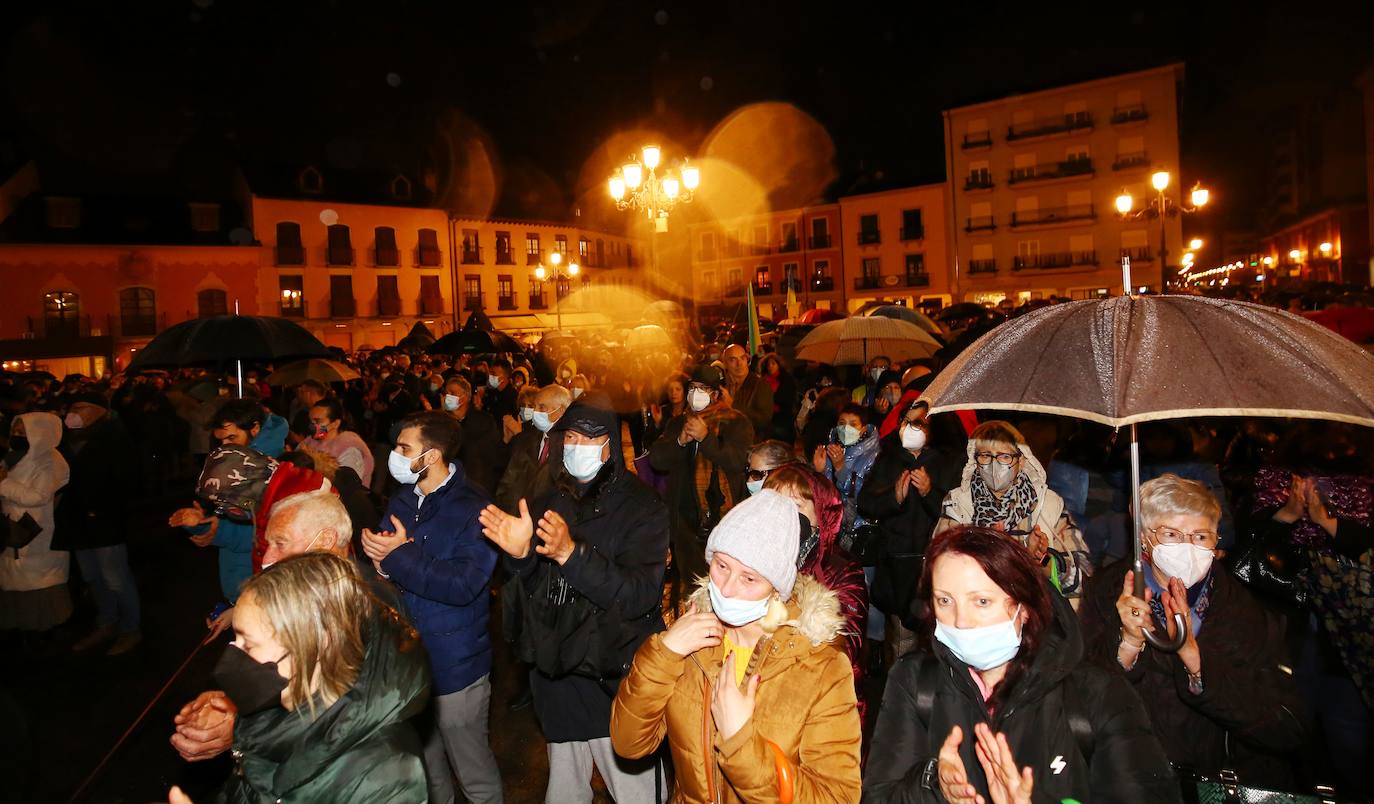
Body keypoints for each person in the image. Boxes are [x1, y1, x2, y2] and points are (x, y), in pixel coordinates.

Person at [862, 525, 1182, 803]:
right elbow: (878, 796)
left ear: (1024, 607)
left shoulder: (1096, 694)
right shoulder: (915, 682)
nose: (960, 621)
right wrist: (932, 786)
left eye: (982, 601)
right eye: (945, 601)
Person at [609, 490, 862, 802]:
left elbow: (836, 796)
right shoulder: (689, 640)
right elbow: (628, 743)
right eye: (722, 566)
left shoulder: (821, 668)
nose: (727, 589)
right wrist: (663, 654)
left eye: (750, 579)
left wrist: (741, 745)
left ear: (777, 589)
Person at [480, 396, 670, 803]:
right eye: (571, 435)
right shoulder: (548, 497)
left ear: (611, 445)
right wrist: (519, 558)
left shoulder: (643, 507)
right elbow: (534, 589)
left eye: (590, 436)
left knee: (636, 793)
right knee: (564, 793)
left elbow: (638, 595)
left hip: (612, 681)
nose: (578, 445)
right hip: (559, 677)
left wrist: (572, 554)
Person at [1080, 474, 1306, 790]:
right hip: (1129, 778)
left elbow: (1286, 727)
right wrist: (1128, 644)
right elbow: (1082, 702)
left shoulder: (1248, 611)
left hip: (1215, 780)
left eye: (1201, 536)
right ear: (1144, 538)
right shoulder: (1105, 594)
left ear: (1217, 542)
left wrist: (1196, 661)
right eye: (1172, 534)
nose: (1188, 548)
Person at [187, 552, 429, 803]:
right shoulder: (271, 706)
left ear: (317, 645)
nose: (233, 655)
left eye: (249, 645)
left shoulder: (388, 774)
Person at [358, 411, 502, 804]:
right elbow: (389, 569)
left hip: (455, 664)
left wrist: (400, 556)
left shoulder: (475, 507)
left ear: (433, 455)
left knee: (474, 776)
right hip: (407, 661)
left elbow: (464, 585)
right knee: (428, 772)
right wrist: (379, 566)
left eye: (405, 448)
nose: (396, 455)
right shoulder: (402, 499)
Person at [169, 489, 365, 763]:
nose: (267, 558)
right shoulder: (308, 596)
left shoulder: (363, 609)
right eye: (267, 544)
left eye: (280, 543)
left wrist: (241, 729)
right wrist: (234, 700)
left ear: (326, 540)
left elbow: (347, 713)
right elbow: (286, 672)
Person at [936, 420, 1091, 607]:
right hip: (976, 618)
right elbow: (938, 566)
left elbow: (1083, 574)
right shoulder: (959, 504)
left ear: (1022, 460)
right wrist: (991, 550)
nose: (994, 465)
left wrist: (1041, 563)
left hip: (1034, 619)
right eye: (985, 456)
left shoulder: (1047, 504)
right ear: (974, 460)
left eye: (1004, 457)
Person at [764, 463, 870, 716]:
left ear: (820, 514)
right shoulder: (756, 559)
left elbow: (845, 645)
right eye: (776, 503)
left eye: (796, 506)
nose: (784, 514)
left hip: (824, 705)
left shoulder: (842, 569)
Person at [857, 400, 961, 656]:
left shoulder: (950, 461)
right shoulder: (889, 458)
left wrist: (929, 492)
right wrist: (894, 497)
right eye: (905, 421)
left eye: (917, 423)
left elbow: (958, 513)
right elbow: (866, 503)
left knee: (937, 639)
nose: (908, 428)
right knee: (902, 639)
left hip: (934, 562)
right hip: (896, 561)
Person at [649, 364, 753, 600]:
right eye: (692, 388)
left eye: (703, 389)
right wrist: (680, 441)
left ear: (715, 394)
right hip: (684, 518)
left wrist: (707, 438)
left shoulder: (736, 422)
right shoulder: (678, 422)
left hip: (722, 516)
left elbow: (737, 461)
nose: (695, 394)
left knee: (723, 586)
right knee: (691, 587)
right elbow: (657, 459)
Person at [54, 395, 143, 655]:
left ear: (99, 411)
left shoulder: (114, 438)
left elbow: (126, 480)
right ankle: (106, 622)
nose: (74, 413)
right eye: (72, 407)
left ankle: (130, 627)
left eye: (81, 408)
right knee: (93, 577)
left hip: (104, 522)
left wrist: (101, 506)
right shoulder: (67, 440)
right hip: (77, 522)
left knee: (115, 577)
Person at [0, 412, 71, 634]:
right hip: (13, 527)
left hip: (36, 529)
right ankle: (21, 625)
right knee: (16, 579)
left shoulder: (50, 460)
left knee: (40, 582)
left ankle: (45, 627)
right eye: (15, 431)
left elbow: (38, 496)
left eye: (23, 432)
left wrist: (4, 484)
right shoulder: (15, 455)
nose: (17, 436)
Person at [814, 402, 882, 548]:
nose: (846, 429)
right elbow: (826, 494)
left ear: (863, 429)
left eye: (853, 424)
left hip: (859, 529)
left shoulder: (874, 456)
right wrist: (819, 471)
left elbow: (865, 496)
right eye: (842, 423)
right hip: (833, 525)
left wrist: (840, 468)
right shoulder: (832, 449)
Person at [495, 383, 570, 516]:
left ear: (561, 411)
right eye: (535, 407)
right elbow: (506, 483)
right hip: (514, 521)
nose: (535, 412)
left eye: (542, 407)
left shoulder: (572, 450)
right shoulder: (525, 439)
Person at [440, 375, 506, 496]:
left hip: (476, 486)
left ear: (463, 398)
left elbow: (491, 455)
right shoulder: (441, 422)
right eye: (446, 392)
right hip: (447, 487)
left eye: (452, 393)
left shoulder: (484, 421)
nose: (446, 396)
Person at [307, 397, 374, 489]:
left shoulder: (349, 450)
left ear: (335, 423)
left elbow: (347, 486)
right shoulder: (308, 444)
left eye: (318, 421)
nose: (312, 425)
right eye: (311, 421)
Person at [721, 344, 773, 435]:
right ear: (725, 363)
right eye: (733, 360)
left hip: (751, 442)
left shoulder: (760, 384)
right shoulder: (721, 386)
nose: (739, 363)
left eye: (742, 358)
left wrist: (733, 405)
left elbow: (764, 420)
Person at [209, 397, 288, 458]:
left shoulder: (268, 462)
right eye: (220, 440)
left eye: (231, 437)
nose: (224, 446)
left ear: (255, 429)